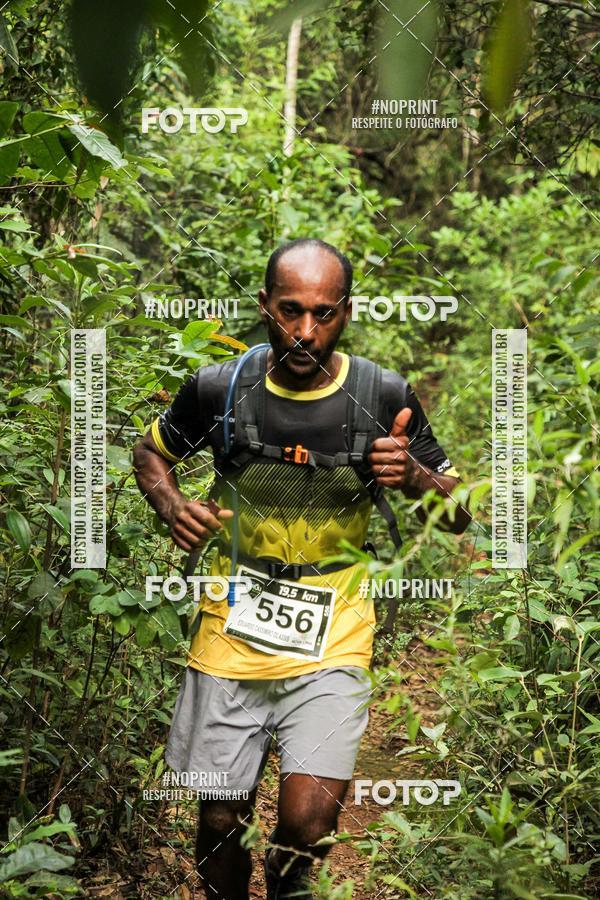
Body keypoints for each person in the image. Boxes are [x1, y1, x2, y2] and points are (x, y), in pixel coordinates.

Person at [133, 238, 470, 900]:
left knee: (307, 823)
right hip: (229, 627)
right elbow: (151, 452)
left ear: (346, 313)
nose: (305, 331)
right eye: (290, 311)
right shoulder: (218, 388)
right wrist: (171, 504)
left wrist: (417, 476)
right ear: (265, 306)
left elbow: (461, 512)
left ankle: (291, 886)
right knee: (220, 818)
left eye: (324, 313)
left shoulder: (382, 393)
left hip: (335, 628)